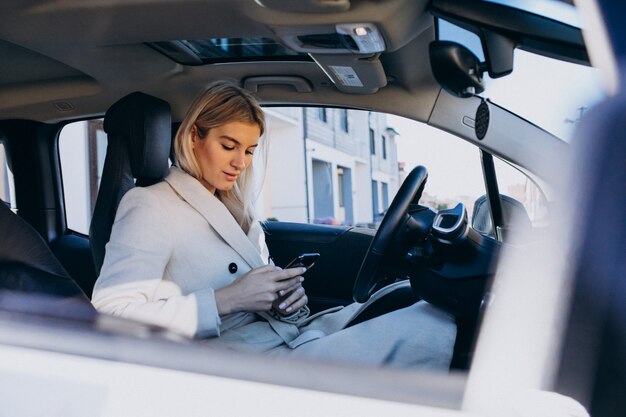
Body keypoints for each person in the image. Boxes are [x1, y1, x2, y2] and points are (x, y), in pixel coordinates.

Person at [92, 81, 456, 369]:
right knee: (430, 330)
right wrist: (226, 300)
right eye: (228, 145)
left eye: (249, 150)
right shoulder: (150, 205)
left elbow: (261, 292)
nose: (240, 162)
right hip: (229, 363)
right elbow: (111, 316)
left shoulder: (237, 208)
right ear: (193, 137)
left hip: (286, 337)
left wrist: (288, 301)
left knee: (414, 301)